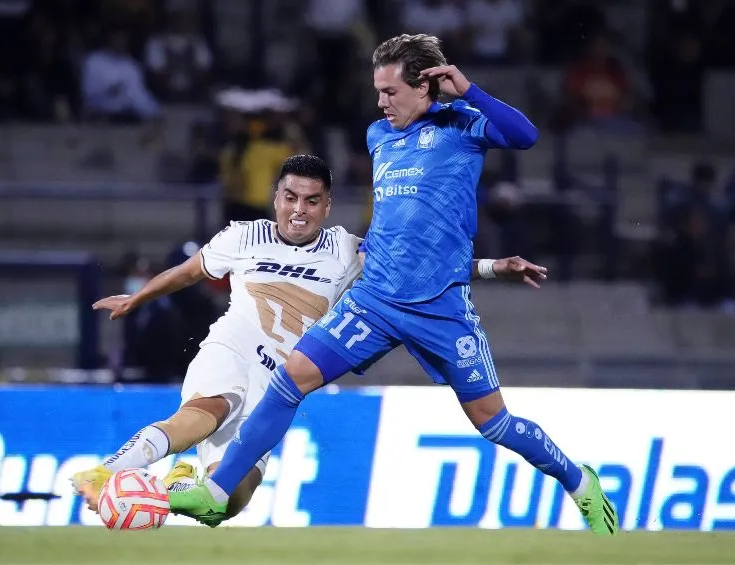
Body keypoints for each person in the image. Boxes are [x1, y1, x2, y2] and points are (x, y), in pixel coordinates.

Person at [168, 34, 619, 536]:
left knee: (493, 422)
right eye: (377, 90)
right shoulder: (378, 136)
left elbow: (526, 135)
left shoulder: (462, 125)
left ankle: (578, 480)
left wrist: (467, 89)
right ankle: (217, 490)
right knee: (291, 377)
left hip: (440, 309)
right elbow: (404, 230)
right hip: (375, 299)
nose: (381, 102)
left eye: (390, 91)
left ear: (425, 85)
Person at [71, 153, 545, 521]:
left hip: (279, 384)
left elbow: (414, 272)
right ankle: (106, 471)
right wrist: (139, 299)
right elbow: (188, 272)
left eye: (311, 200)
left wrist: (492, 268)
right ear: (276, 198)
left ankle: (175, 481)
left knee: (225, 504)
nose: (299, 210)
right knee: (207, 411)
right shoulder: (242, 236)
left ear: (326, 205)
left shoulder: (344, 249)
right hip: (231, 349)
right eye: (290, 198)